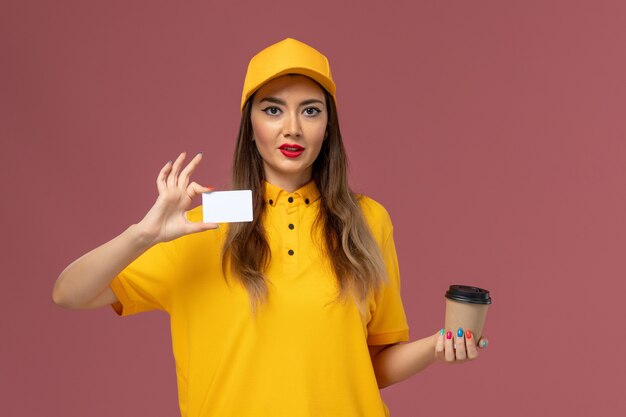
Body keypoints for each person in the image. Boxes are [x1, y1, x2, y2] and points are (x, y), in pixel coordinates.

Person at [53, 38, 488, 417]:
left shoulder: (367, 220)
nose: (292, 128)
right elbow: (69, 293)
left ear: (328, 126)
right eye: (273, 109)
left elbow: (370, 365)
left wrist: (437, 347)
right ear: (251, 126)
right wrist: (143, 234)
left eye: (310, 110)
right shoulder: (208, 221)